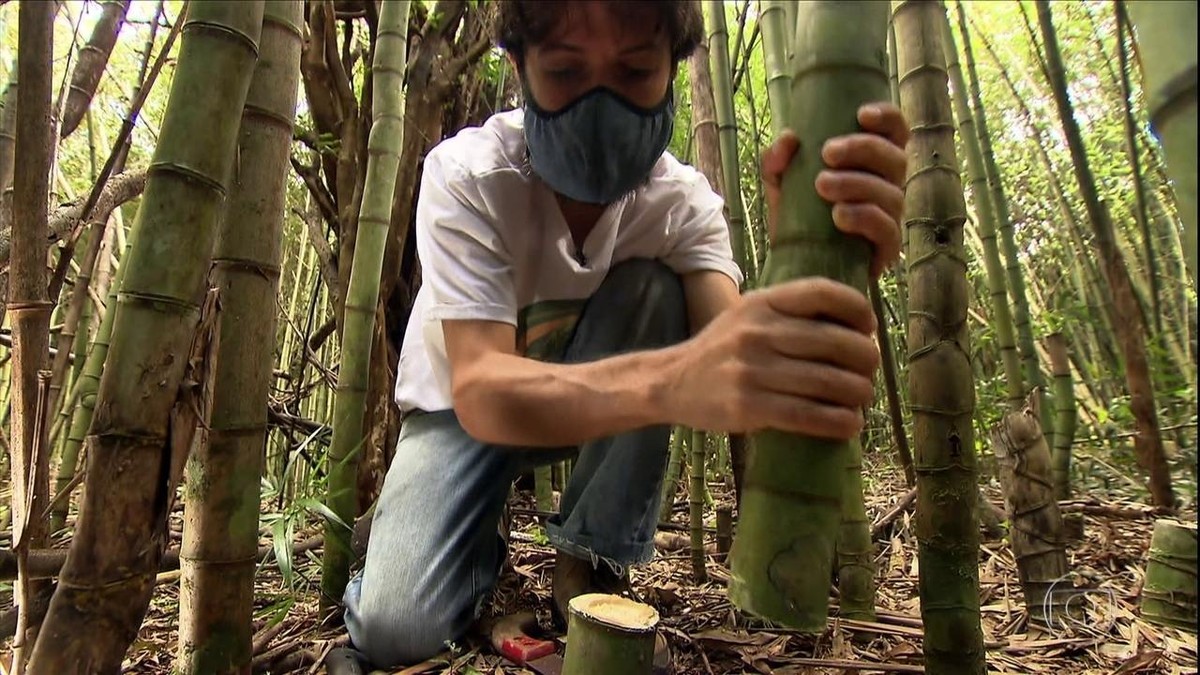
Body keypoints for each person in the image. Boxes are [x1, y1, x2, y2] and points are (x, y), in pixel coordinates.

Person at [341, 0, 909, 668]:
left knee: (654, 288)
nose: (600, 107)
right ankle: (448, 547)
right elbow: (483, 390)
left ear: (673, 68)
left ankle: (588, 564)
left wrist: (811, 263)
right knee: (392, 631)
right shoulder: (469, 175)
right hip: (461, 416)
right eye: (564, 71)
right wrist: (672, 381)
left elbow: (738, 351)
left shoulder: (681, 204)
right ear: (520, 68)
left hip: (597, 416)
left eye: (635, 71)